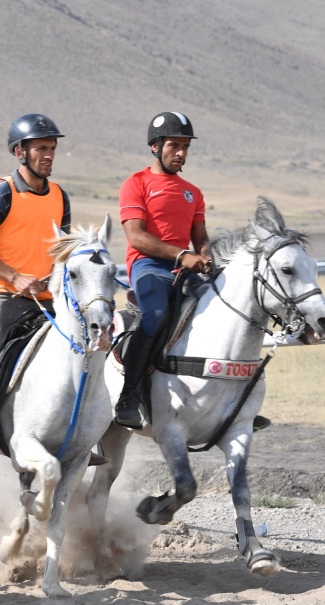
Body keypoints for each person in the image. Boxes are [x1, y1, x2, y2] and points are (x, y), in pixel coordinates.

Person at [0, 113, 71, 461]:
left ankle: (80, 433)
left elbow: (61, 250)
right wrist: (15, 278)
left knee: (82, 350)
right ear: (20, 152)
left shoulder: (60, 196)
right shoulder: (1, 192)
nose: (48, 155)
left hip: (46, 297)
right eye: (41, 148)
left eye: (52, 148)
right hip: (2, 294)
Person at [112, 112, 211, 428]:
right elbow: (136, 237)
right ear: (155, 146)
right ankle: (129, 396)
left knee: (226, 308)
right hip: (149, 266)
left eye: (185, 146)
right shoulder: (136, 184)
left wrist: (207, 257)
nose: (181, 153)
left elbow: (202, 239)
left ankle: (232, 398)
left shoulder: (193, 192)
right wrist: (182, 255)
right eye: (173, 145)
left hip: (185, 269)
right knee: (155, 317)